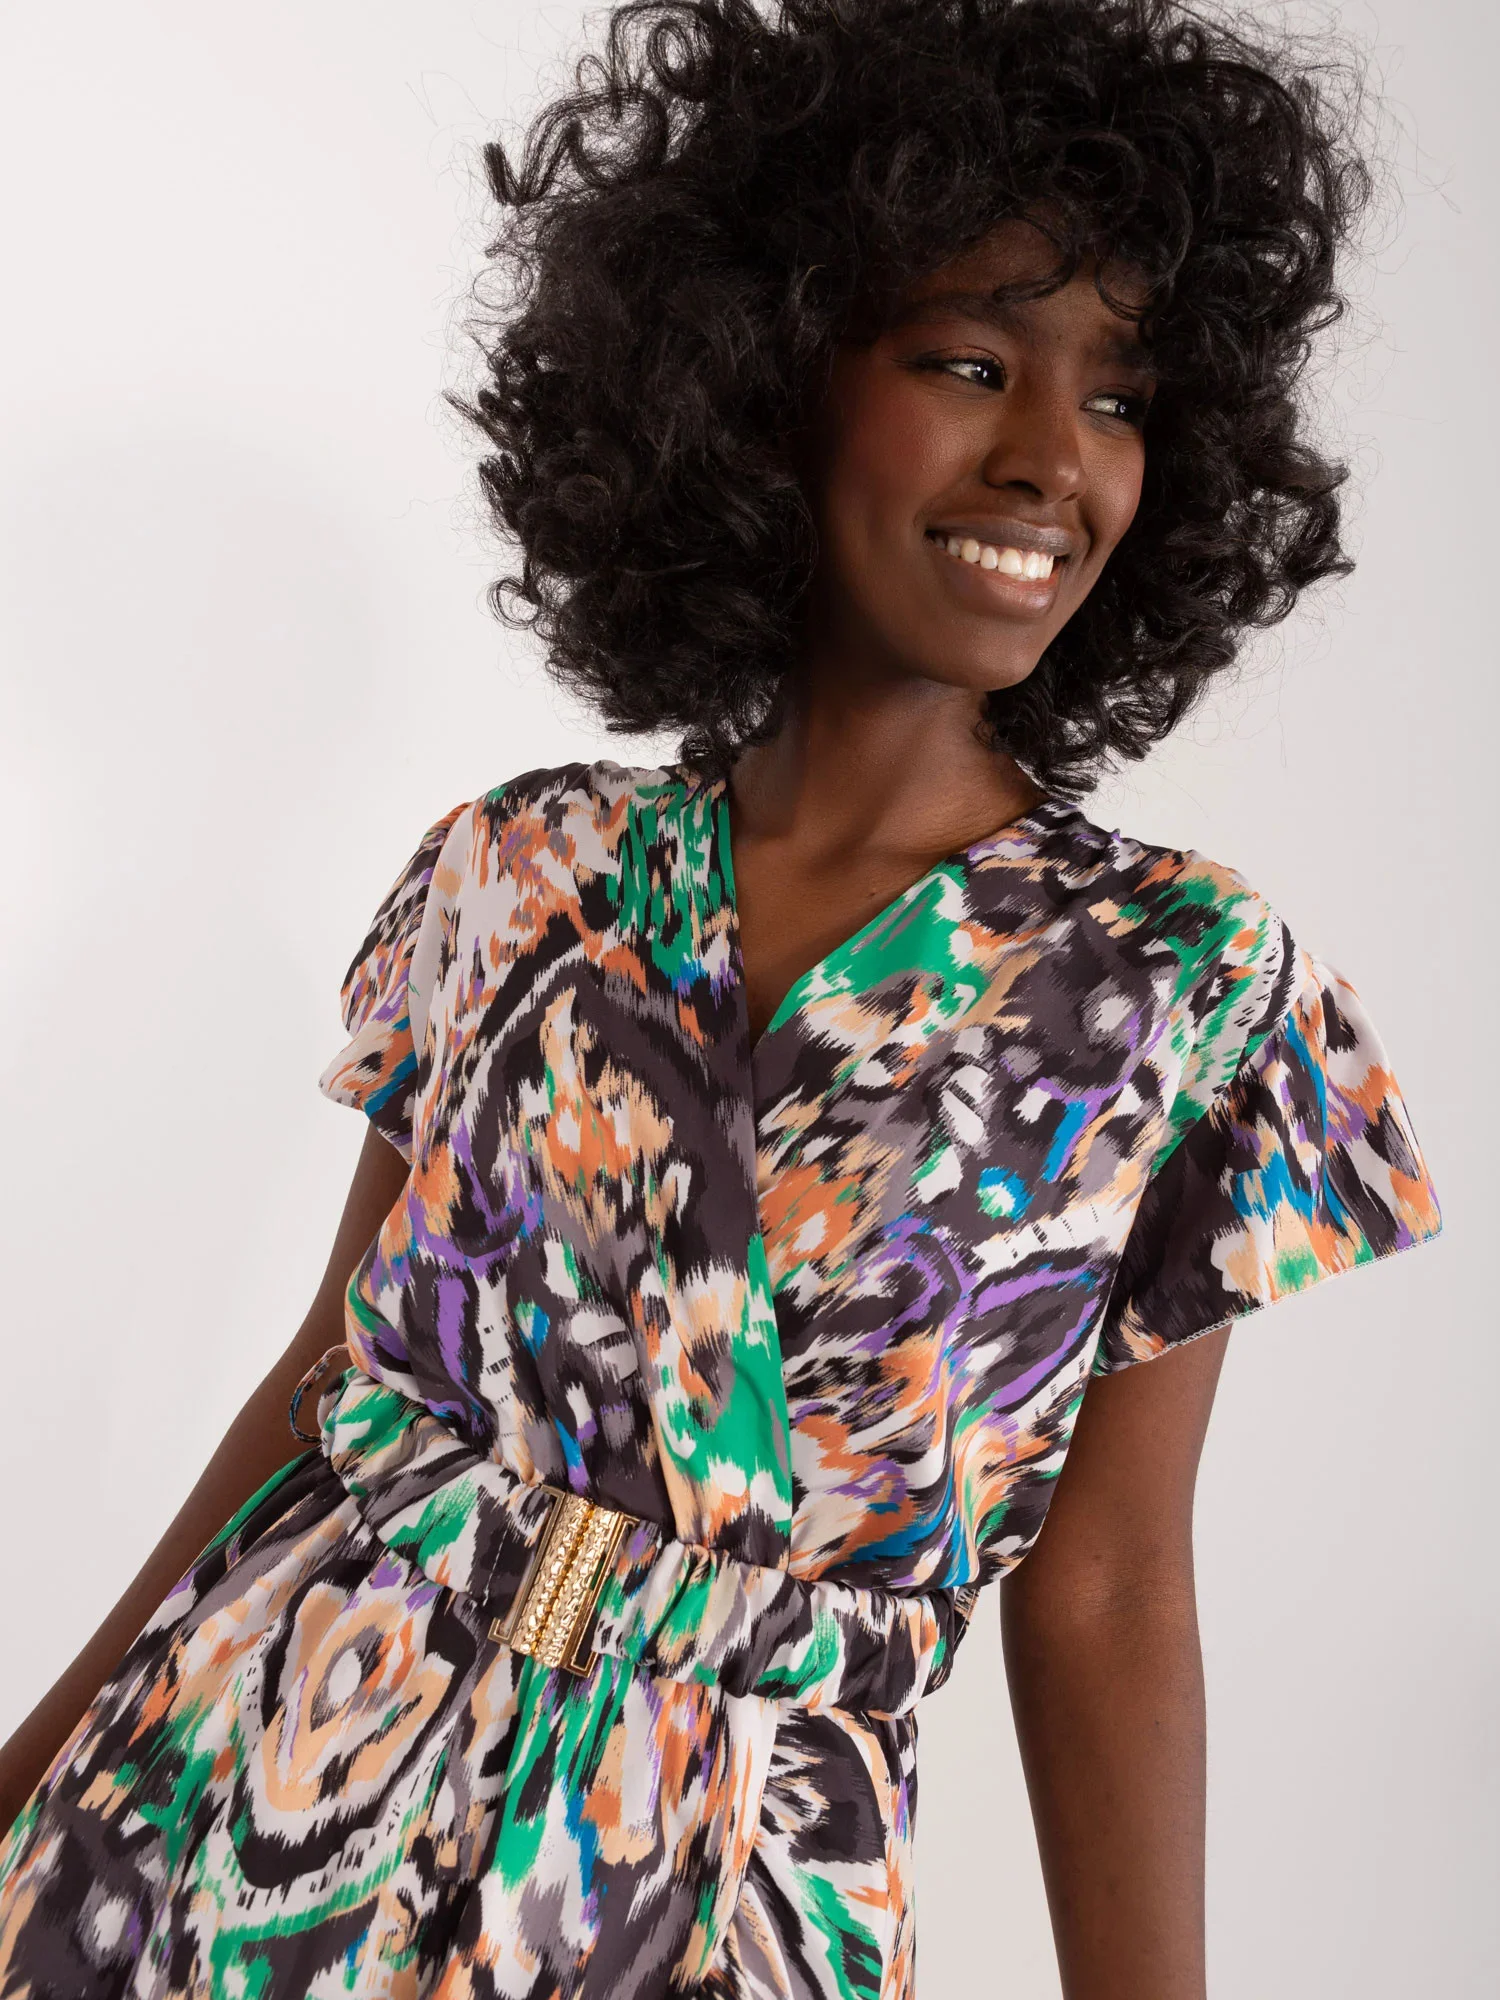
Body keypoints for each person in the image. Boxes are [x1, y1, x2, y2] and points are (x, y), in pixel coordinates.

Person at [0, 1, 1442, 1995]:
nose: (1054, 459)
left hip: (728, 1893)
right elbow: (337, 1362)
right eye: (969, 362)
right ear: (766, 376)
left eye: (1119, 398)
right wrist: (30, 1764)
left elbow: (1109, 1585)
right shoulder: (519, 871)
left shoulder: (1184, 986)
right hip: (262, 1793)